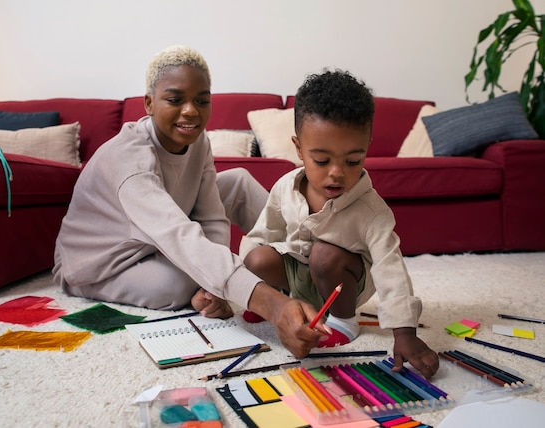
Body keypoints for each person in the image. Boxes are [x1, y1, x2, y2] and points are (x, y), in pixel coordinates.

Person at [52, 45, 327, 358]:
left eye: (201, 100)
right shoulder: (129, 161)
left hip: (156, 233)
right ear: (149, 104)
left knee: (237, 181)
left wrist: (214, 286)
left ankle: (310, 261)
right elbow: (179, 236)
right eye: (175, 99)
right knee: (177, 285)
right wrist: (272, 305)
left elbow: (210, 217)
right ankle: (90, 286)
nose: (191, 111)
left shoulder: (198, 140)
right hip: (101, 261)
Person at [239, 69, 439, 378]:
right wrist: (253, 291)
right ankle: (288, 303)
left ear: (367, 147)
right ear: (298, 148)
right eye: (321, 160)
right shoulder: (285, 187)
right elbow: (264, 233)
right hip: (299, 277)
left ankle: (345, 321)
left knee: (325, 254)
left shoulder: (371, 211)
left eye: (352, 160)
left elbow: (391, 270)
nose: (337, 173)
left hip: (342, 282)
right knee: (256, 256)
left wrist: (404, 333)